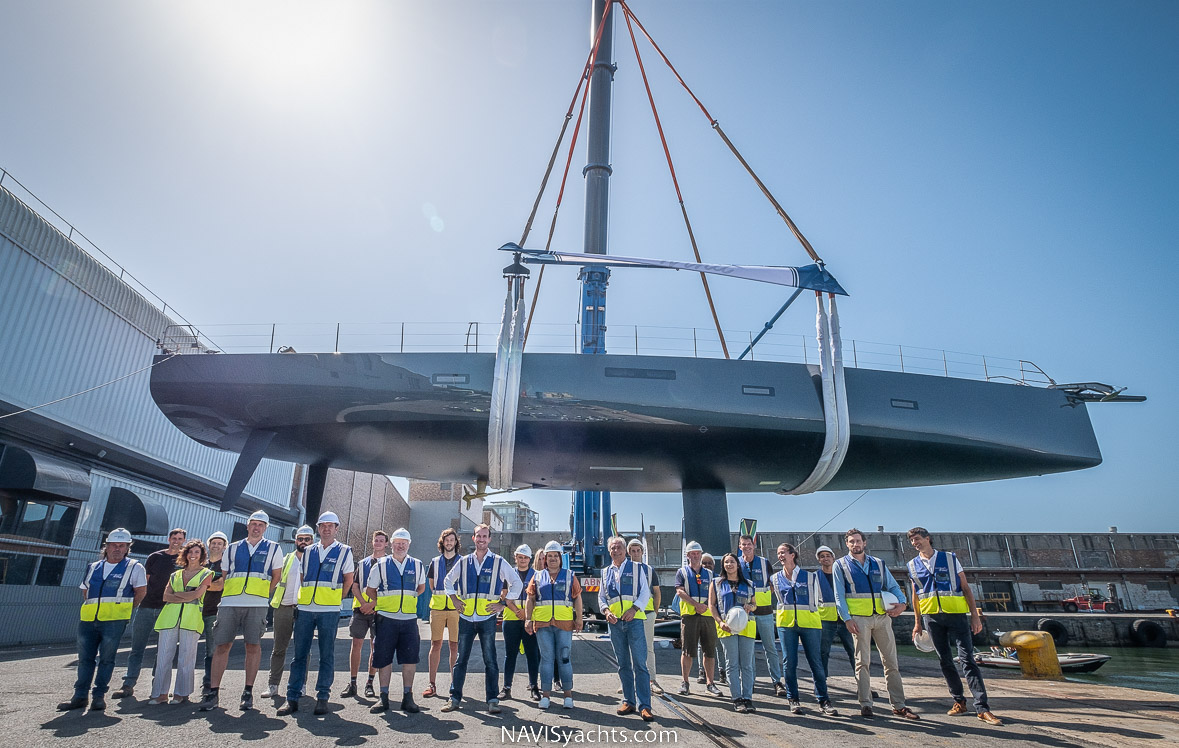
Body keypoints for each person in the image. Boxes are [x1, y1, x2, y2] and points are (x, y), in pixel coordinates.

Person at [908, 527, 1003, 726]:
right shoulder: (912, 565)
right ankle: (959, 701)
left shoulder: (950, 559)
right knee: (945, 661)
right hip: (932, 618)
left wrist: (975, 617)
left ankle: (982, 708)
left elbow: (966, 587)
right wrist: (917, 623)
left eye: (917, 539)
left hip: (956, 616)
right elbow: (916, 596)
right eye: (912, 541)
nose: (915, 543)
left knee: (968, 659)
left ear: (928, 538)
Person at [833, 528, 919, 720]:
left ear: (864, 543)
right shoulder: (841, 565)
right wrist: (846, 618)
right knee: (862, 662)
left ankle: (899, 705)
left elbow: (893, 586)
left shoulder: (878, 563)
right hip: (858, 619)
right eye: (851, 542)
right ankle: (865, 703)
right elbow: (839, 595)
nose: (855, 544)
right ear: (846, 544)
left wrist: (902, 603)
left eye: (858, 541)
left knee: (891, 662)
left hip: (882, 617)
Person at [201, 510, 283, 711]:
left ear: (266, 528)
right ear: (247, 526)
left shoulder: (274, 548)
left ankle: (247, 692)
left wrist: (261, 594)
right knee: (222, 646)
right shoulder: (233, 548)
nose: (256, 528)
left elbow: (276, 577)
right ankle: (213, 692)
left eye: (261, 525)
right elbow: (225, 574)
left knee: (252, 646)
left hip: (257, 605)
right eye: (253, 524)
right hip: (230, 602)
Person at [58, 528, 147, 712]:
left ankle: (99, 697)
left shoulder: (134, 567)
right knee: (85, 659)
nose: (117, 548)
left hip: (114, 621)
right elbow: (85, 591)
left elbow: (140, 592)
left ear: (127, 548)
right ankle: (80, 696)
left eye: (121, 545)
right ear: (106, 546)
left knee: (107, 660)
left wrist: (125, 610)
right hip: (89, 621)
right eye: (113, 545)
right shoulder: (93, 567)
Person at [279, 511, 355, 715]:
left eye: (331, 525)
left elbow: (348, 578)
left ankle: (323, 696)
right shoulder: (309, 551)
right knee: (299, 655)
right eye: (323, 525)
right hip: (305, 609)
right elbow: (304, 577)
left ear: (337, 528)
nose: (327, 528)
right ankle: (292, 697)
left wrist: (337, 599)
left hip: (329, 610)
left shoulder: (345, 551)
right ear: (318, 529)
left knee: (326, 655)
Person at [440, 523, 521, 714]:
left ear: (489, 539)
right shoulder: (464, 561)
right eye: (479, 536)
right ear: (473, 538)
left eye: (485, 536)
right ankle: (454, 698)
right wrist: (454, 599)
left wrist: (503, 603)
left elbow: (516, 582)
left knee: (490, 660)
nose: (482, 539)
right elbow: (447, 581)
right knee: (461, 660)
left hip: (487, 618)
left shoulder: (499, 562)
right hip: (467, 618)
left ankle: (492, 700)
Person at [112, 526, 186, 699]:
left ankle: (158, 684)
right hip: (146, 606)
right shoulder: (155, 557)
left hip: (168, 609)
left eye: (180, 539)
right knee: (137, 647)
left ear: (184, 541)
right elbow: (145, 581)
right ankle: (128, 684)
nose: (176, 541)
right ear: (169, 539)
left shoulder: (185, 560)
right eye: (174, 538)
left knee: (163, 650)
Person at [771, 542, 837, 716]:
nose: (780, 556)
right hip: (786, 625)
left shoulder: (810, 577)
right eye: (778, 553)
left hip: (810, 624)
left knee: (816, 662)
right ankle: (793, 699)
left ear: (793, 555)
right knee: (789, 662)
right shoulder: (775, 578)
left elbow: (821, 599)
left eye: (783, 552)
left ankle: (823, 700)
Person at [366, 527, 425, 713]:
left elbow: (421, 587)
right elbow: (370, 590)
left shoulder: (417, 565)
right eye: (397, 543)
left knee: (410, 659)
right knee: (383, 658)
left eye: (404, 543)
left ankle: (408, 697)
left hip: (408, 620)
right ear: (391, 544)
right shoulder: (380, 565)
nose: (400, 546)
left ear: (409, 545)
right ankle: (383, 697)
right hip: (386, 619)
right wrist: (383, 603)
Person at [150, 539, 214, 704]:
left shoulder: (206, 574)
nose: (193, 555)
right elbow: (165, 596)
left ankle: (181, 693)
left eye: (196, 552)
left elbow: (196, 595)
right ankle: (160, 693)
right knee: (163, 656)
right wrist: (186, 595)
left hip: (191, 620)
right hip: (169, 619)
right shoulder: (175, 575)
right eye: (190, 552)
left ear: (202, 556)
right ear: (185, 554)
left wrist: (178, 595)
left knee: (186, 657)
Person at [600, 536, 654, 722]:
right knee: (623, 664)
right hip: (615, 624)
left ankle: (645, 706)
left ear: (626, 550)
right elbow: (601, 597)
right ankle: (628, 701)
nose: (616, 551)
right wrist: (606, 611)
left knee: (640, 664)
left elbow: (645, 592)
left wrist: (634, 608)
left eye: (619, 548)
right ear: (609, 551)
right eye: (613, 548)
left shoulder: (638, 569)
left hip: (634, 621)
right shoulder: (605, 572)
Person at [526, 540, 582, 709]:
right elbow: (530, 598)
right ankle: (546, 696)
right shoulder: (537, 576)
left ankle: (568, 696)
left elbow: (577, 597)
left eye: (555, 556)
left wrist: (579, 618)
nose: (552, 559)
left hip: (564, 625)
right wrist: (528, 619)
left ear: (560, 558)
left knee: (564, 659)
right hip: (543, 625)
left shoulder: (570, 576)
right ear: (545, 559)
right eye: (549, 556)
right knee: (547, 659)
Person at [261, 525, 313, 698]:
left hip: (305, 609)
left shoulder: (314, 560)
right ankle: (273, 684)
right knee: (278, 648)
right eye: (301, 539)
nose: (303, 542)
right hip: (284, 607)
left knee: (303, 650)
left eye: (307, 539)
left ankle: (301, 685)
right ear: (295, 541)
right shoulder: (286, 559)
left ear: (313, 541)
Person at [737, 534, 785, 697]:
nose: (747, 546)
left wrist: (762, 599)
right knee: (748, 649)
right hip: (746, 614)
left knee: (770, 647)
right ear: (740, 546)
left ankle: (777, 681)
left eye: (749, 544)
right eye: (744, 544)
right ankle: (750, 680)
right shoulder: (736, 563)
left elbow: (772, 584)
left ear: (753, 545)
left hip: (764, 613)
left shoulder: (764, 563)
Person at [710, 552, 758, 713]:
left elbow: (754, 604)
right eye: (726, 562)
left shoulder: (749, 584)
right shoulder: (716, 583)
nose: (729, 565)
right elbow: (712, 605)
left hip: (747, 626)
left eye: (732, 562)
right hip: (727, 627)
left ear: (738, 564)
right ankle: (737, 698)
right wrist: (720, 622)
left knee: (747, 664)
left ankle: (748, 697)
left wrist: (751, 607)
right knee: (732, 664)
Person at [344, 530, 387, 699]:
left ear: (386, 544)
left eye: (381, 540)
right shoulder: (362, 563)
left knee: (375, 647)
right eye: (376, 540)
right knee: (356, 644)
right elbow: (355, 586)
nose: (378, 543)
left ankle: (370, 683)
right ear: (372, 542)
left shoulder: (388, 563)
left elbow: (388, 590)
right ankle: (353, 683)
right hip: (360, 610)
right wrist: (364, 604)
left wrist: (373, 605)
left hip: (379, 610)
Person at [674, 541, 720, 696]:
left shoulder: (711, 574)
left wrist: (706, 605)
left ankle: (710, 683)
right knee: (687, 650)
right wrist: (696, 604)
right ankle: (685, 682)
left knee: (709, 651)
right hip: (690, 616)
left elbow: (716, 593)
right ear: (687, 555)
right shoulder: (682, 572)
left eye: (698, 553)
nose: (695, 556)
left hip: (708, 616)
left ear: (701, 554)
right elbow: (680, 591)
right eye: (692, 553)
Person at [424, 527, 462, 699]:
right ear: (442, 542)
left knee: (454, 646)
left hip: (456, 610)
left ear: (456, 542)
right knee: (436, 645)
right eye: (446, 540)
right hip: (438, 609)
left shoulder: (463, 561)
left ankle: (455, 684)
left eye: (452, 540)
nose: (449, 543)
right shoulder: (434, 562)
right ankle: (432, 684)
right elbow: (432, 585)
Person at [501, 544, 540, 701]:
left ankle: (534, 686)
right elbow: (503, 595)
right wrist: (518, 611)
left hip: (530, 621)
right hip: (511, 618)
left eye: (525, 557)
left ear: (530, 559)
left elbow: (539, 598)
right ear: (515, 557)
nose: (522, 560)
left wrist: (527, 615)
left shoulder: (537, 576)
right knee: (510, 654)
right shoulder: (508, 574)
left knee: (532, 654)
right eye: (520, 557)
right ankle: (506, 687)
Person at [815, 545, 856, 680]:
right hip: (825, 620)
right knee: (822, 653)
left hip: (846, 618)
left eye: (828, 555)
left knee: (854, 652)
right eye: (822, 556)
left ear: (833, 558)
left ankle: (863, 686)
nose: (825, 558)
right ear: (819, 560)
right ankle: (821, 687)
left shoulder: (844, 574)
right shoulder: (814, 577)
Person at [627, 538, 663, 695]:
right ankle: (629, 681)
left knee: (648, 647)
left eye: (638, 550)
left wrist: (655, 611)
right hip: (629, 614)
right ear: (629, 553)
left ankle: (651, 680)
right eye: (633, 551)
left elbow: (656, 592)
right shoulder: (625, 569)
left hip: (646, 613)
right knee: (629, 648)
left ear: (642, 552)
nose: (635, 553)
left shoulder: (649, 570)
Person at [199, 531, 227, 696]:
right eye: (213, 543)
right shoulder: (201, 563)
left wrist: (199, 584)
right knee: (186, 650)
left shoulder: (226, 565)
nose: (216, 546)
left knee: (211, 650)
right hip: (194, 611)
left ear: (224, 547)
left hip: (213, 611)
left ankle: (208, 683)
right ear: (208, 545)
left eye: (219, 543)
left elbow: (220, 586)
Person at [696, 553, 726, 686]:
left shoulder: (720, 581)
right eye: (704, 563)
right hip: (701, 617)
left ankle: (722, 671)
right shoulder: (696, 579)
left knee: (719, 645)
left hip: (716, 617)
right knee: (701, 646)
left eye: (710, 563)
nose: (707, 565)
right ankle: (701, 671)